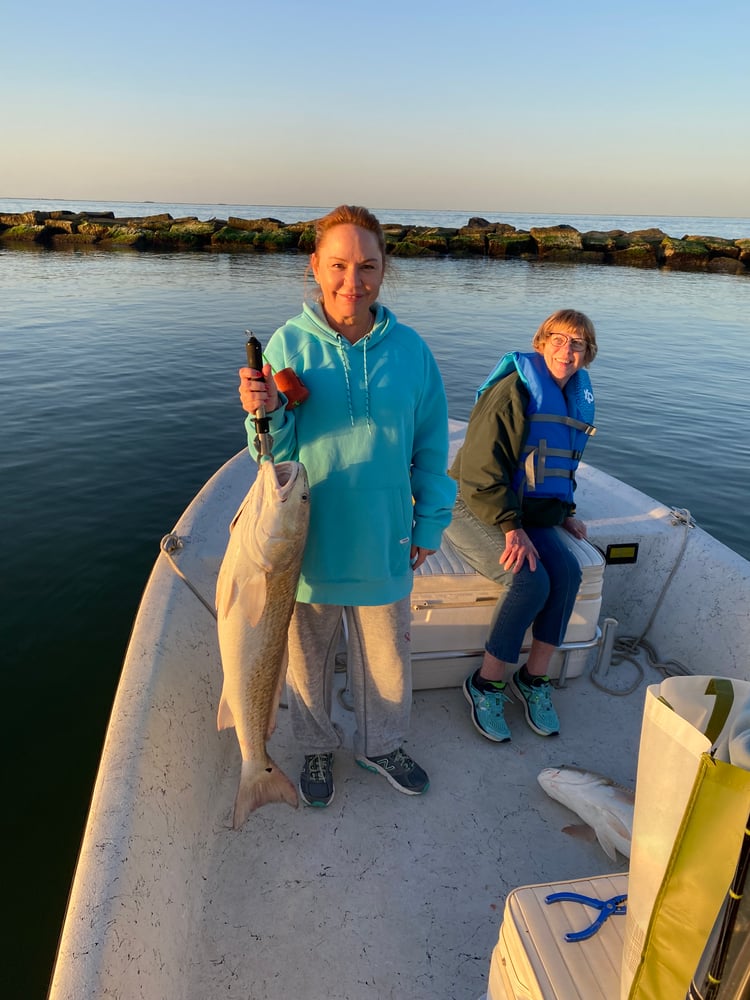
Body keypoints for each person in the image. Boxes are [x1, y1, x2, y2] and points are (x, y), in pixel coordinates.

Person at [238, 204, 456, 807]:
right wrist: (262, 413)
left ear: (384, 270)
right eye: (337, 266)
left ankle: (381, 744)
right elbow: (271, 456)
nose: (350, 282)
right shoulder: (288, 343)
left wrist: (430, 521)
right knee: (308, 661)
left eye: (366, 266)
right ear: (315, 266)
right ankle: (314, 747)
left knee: (388, 661)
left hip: (385, 538)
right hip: (306, 544)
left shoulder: (411, 351)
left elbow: (432, 447)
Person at [445, 309, 598, 742]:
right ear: (541, 342)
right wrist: (511, 527)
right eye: (558, 339)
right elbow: (479, 472)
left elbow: (554, 465)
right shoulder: (513, 391)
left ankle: (533, 680)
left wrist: (563, 513)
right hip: (472, 503)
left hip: (524, 511)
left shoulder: (573, 397)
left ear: (587, 355)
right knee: (531, 580)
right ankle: (486, 683)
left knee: (567, 573)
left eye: (577, 344)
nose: (566, 351)